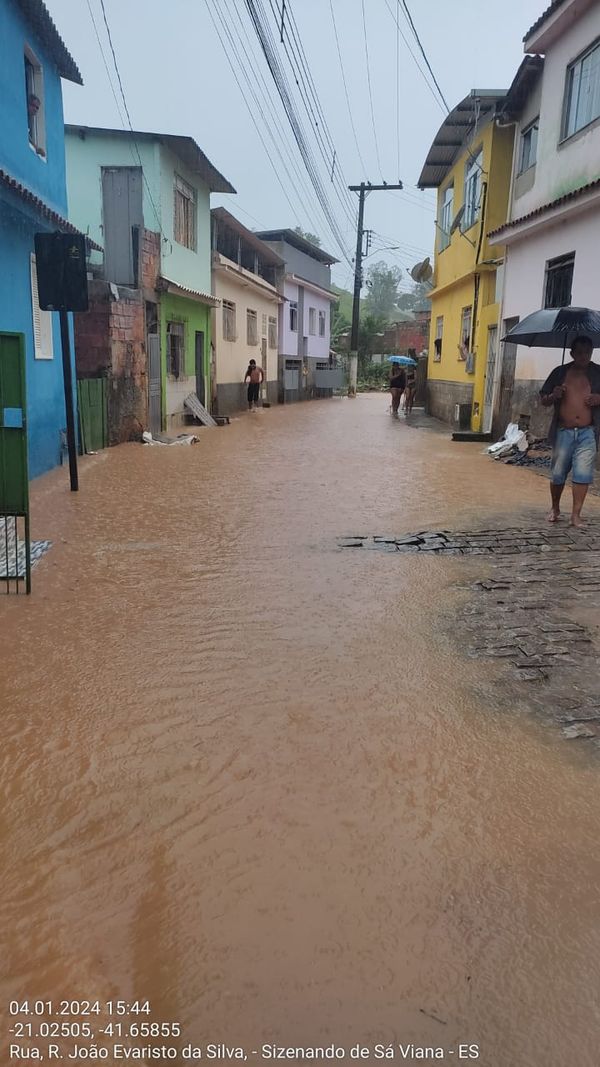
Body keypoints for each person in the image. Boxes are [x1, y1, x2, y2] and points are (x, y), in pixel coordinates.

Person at [539, 335, 600, 526]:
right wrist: (553, 395)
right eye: (580, 352)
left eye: (588, 352)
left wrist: (599, 398)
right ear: (572, 353)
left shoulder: (598, 372)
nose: (584, 356)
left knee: (582, 474)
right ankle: (555, 507)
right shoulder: (560, 372)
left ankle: (576, 514)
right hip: (563, 431)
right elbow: (543, 400)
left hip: (587, 432)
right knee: (557, 474)